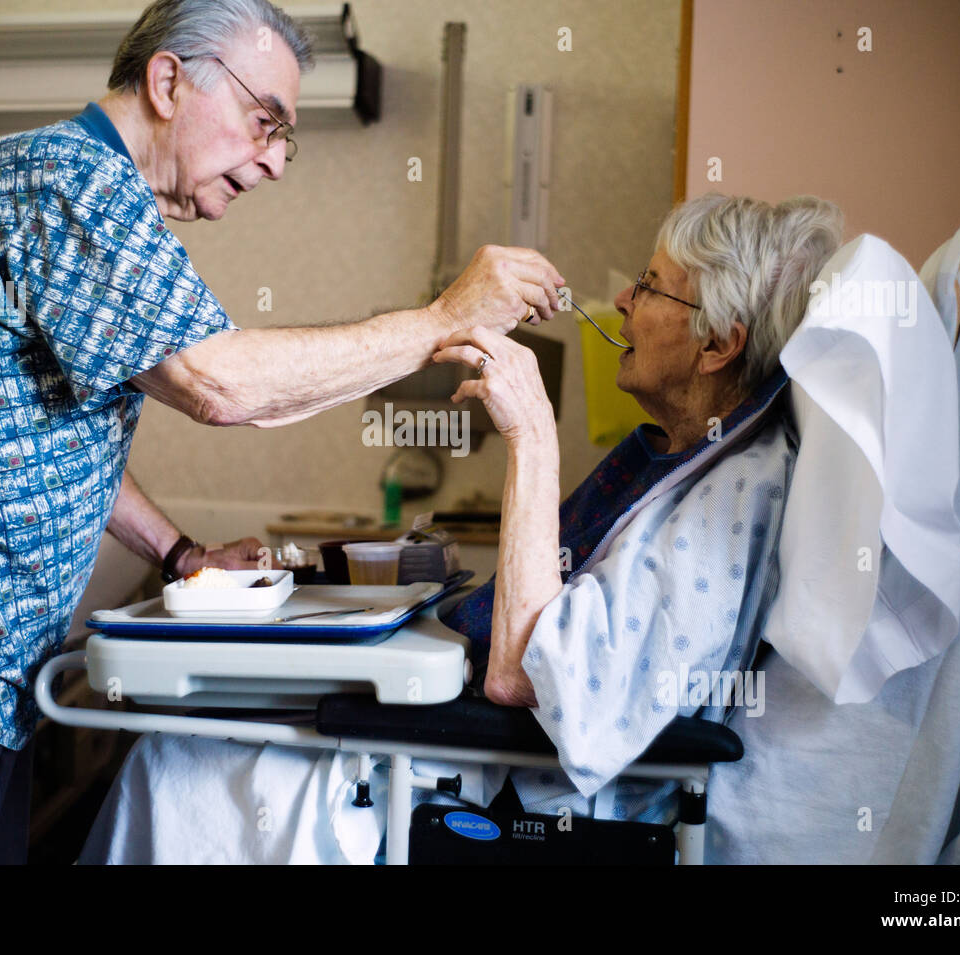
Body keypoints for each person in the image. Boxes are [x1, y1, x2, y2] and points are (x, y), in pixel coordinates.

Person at [0, 0, 564, 864]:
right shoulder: (66, 181)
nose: (273, 163)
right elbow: (221, 385)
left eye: (284, 140)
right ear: (168, 79)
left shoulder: (77, 194)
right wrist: (442, 318)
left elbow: (56, 435)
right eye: (266, 123)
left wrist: (181, 554)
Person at [77, 192, 845, 863]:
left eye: (650, 287)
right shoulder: (680, 459)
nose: (622, 302)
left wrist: (533, 433)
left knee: (173, 763)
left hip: (513, 796)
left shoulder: (731, 494)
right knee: (188, 737)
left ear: (718, 343)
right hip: (461, 743)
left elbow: (524, 678)